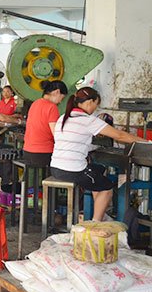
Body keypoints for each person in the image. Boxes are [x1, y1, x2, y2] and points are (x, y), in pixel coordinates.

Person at [50, 87, 146, 222]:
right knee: (107, 188)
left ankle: (100, 212)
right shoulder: (88, 120)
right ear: (90, 102)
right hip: (72, 171)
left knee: (98, 171)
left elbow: (74, 142)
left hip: (55, 168)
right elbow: (119, 136)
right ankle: (95, 223)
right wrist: (146, 142)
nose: (95, 109)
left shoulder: (63, 118)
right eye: (96, 105)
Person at [22, 81, 68, 167]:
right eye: (61, 98)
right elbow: (56, 133)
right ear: (57, 92)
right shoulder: (52, 107)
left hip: (28, 150)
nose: (60, 102)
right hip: (43, 152)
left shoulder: (35, 103)